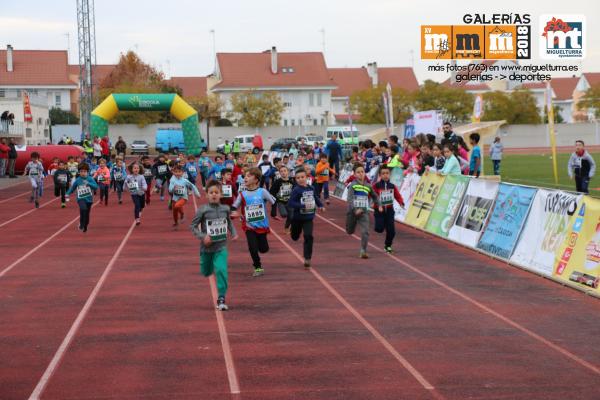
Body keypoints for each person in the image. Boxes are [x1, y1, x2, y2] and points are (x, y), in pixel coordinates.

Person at [191, 180, 238, 311]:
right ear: (207, 195)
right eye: (211, 192)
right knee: (206, 271)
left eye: (216, 192)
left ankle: (221, 297)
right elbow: (193, 226)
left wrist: (234, 233)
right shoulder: (202, 210)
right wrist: (203, 236)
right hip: (206, 248)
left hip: (221, 246)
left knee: (221, 270)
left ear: (221, 195)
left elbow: (229, 222)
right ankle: (209, 266)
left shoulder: (225, 209)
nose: (214, 195)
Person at [231, 167, 276, 277]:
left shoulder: (262, 191)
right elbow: (234, 207)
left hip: (262, 226)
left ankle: (261, 253)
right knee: (252, 247)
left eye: (248, 176)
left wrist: (273, 214)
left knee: (264, 249)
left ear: (256, 180)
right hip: (249, 226)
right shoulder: (242, 194)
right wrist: (233, 214)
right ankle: (258, 267)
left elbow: (274, 202)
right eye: (245, 176)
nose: (245, 178)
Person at [287, 167, 324, 268]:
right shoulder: (296, 190)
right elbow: (291, 203)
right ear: (295, 179)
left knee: (308, 236)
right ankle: (292, 229)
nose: (300, 179)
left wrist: (320, 205)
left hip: (308, 218)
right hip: (297, 218)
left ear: (306, 177)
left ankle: (307, 258)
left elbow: (315, 197)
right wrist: (302, 205)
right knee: (295, 237)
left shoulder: (311, 188)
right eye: (298, 178)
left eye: (302, 177)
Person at [345, 163, 379, 259]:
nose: (360, 174)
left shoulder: (368, 186)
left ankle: (363, 250)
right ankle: (351, 226)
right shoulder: (353, 185)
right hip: (352, 211)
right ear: (354, 174)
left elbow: (375, 196)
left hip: (364, 212)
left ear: (365, 173)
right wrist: (355, 209)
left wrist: (378, 204)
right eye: (358, 172)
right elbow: (349, 199)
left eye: (362, 172)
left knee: (365, 231)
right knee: (349, 231)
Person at [373, 165, 404, 253]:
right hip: (379, 211)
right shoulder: (376, 186)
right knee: (379, 229)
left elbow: (397, 196)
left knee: (392, 231)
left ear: (389, 174)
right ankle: (381, 225)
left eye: (387, 173)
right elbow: (372, 195)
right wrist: (377, 204)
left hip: (390, 211)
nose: (385, 175)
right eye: (383, 174)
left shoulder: (392, 186)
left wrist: (401, 203)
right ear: (380, 175)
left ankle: (388, 246)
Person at [66, 163, 98, 232]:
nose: (83, 173)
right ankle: (81, 223)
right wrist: (67, 193)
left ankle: (85, 225)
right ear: (79, 172)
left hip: (89, 200)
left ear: (87, 172)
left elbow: (96, 187)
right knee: (83, 209)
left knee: (87, 213)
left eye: (84, 171)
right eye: (81, 171)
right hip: (81, 199)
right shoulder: (78, 180)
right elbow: (72, 188)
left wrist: (89, 183)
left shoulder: (90, 179)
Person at [269, 165, 294, 230]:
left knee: (291, 217)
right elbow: (272, 191)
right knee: (284, 214)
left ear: (288, 172)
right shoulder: (277, 182)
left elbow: (296, 190)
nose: (283, 172)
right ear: (279, 173)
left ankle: (287, 227)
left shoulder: (292, 181)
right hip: (281, 201)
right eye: (281, 171)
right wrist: (274, 199)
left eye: (285, 171)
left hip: (290, 202)